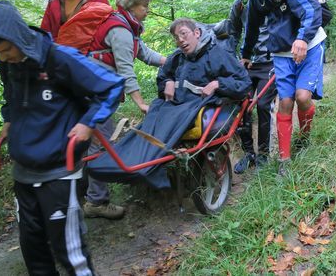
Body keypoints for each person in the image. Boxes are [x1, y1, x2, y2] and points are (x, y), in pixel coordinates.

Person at [0, 0, 124, 276]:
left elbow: (112, 86)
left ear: (18, 38)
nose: (3, 58)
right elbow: (11, 96)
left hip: (58, 172)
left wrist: (88, 123)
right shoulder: (9, 63)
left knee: (69, 252)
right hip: (23, 174)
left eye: (6, 50)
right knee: (34, 252)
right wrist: (9, 118)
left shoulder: (59, 58)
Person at [87, 18, 251, 189]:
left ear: (196, 33)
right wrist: (168, 82)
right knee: (154, 114)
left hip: (197, 105)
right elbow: (163, 76)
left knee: (168, 121)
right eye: (176, 37)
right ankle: (119, 162)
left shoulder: (217, 54)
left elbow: (243, 82)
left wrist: (218, 84)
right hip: (174, 103)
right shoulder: (177, 57)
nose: (180, 40)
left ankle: (147, 168)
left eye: (184, 34)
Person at [232, 0, 325, 176]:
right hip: (282, 54)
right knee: (285, 102)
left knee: (303, 97)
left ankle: (304, 138)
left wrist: (303, 38)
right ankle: (285, 160)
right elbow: (251, 29)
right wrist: (245, 56)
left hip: (310, 46)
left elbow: (311, 8)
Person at [81, 0, 166, 220]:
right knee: (100, 144)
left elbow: (146, 54)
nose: (147, 10)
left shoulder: (126, 27)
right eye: (144, 6)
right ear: (131, 6)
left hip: (86, 90)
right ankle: (96, 201)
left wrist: (173, 60)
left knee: (86, 142)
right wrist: (140, 102)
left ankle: (80, 193)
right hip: (95, 93)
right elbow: (126, 70)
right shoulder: (120, 30)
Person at [228, 0, 278, 173]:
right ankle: (249, 153)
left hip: (270, 61)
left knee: (264, 105)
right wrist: (234, 59)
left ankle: (264, 155)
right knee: (242, 106)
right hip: (248, 64)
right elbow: (233, 32)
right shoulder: (239, 5)